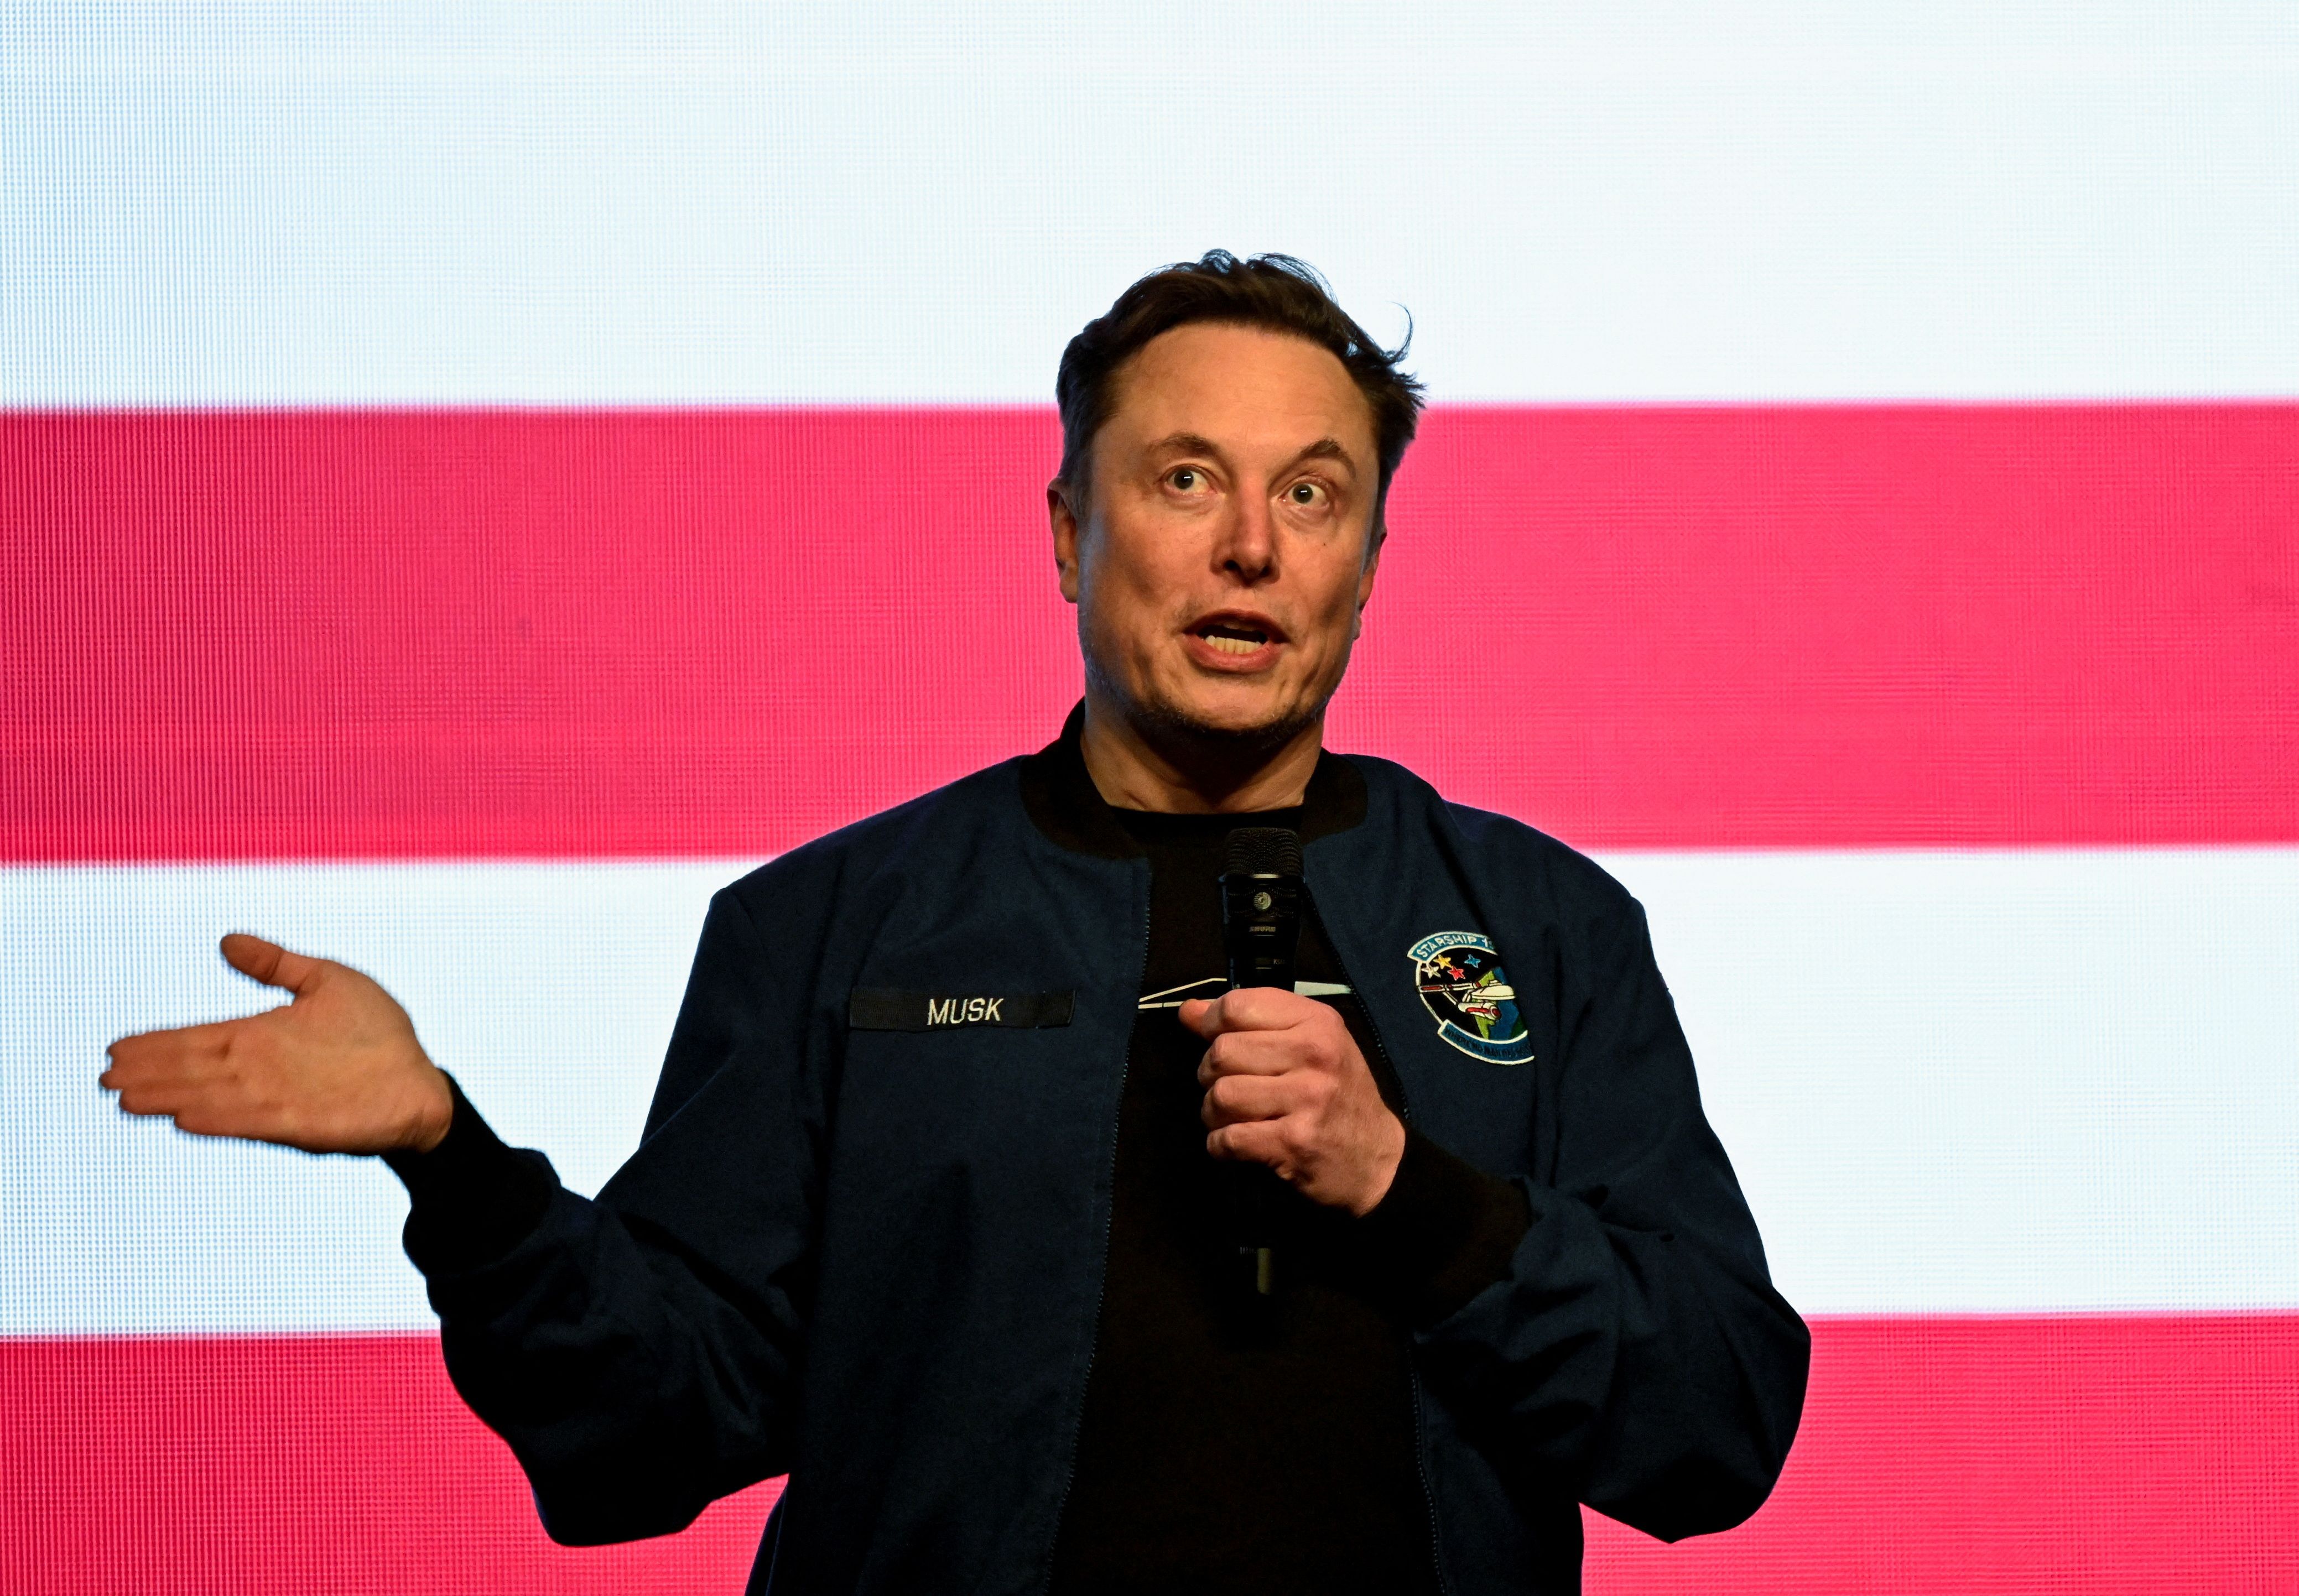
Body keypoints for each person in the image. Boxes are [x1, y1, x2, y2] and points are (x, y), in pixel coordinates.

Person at [102, 252, 1809, 1595]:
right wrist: (450, 1161)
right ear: (1070, 535)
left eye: (1310, 495)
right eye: (1183, 478)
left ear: (1368, 559)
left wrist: (1405, 1190)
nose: (1245, 548)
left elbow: (1713, 1428)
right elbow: (642, 1430)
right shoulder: (834, 926)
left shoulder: (1542, 925)